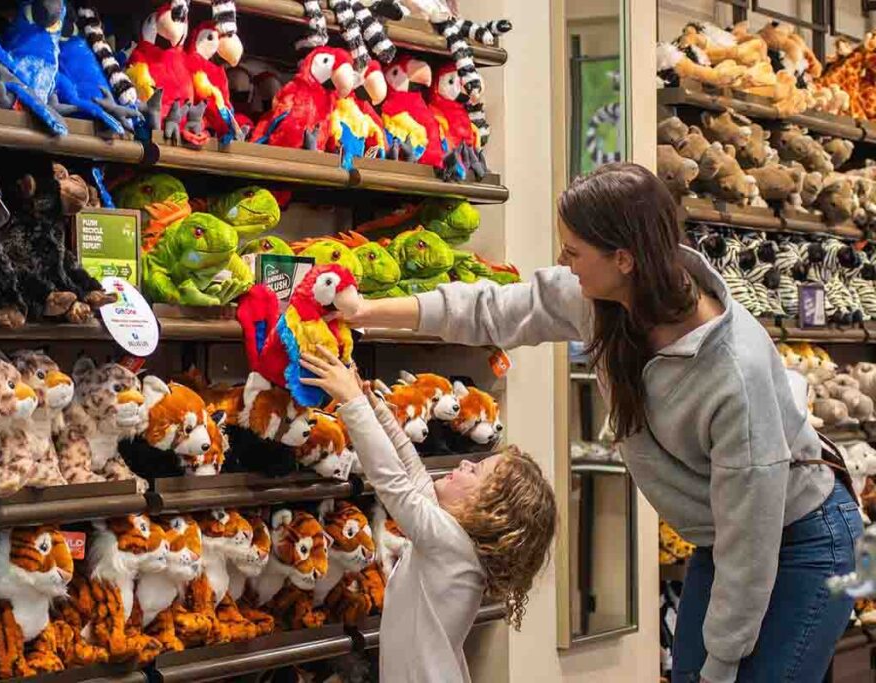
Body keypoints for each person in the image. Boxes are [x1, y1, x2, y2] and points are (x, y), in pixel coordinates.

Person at [336, 162, 864, 683]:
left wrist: (720, 668)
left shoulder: (732, 372)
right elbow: (493, 309)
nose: (564, 264)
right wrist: (365, 311)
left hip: (805, 536)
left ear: (624, 258)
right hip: (726, 534)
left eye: (574, 252)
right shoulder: (604, 297)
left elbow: (750, 548)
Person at [299, 346, 556, 683]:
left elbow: (394, 483)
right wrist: (376, 406)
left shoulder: (451, 546)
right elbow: (410, 467)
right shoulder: (452, 539)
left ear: (489, 510)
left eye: (475, 472)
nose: (464, 463)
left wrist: (353, 404)